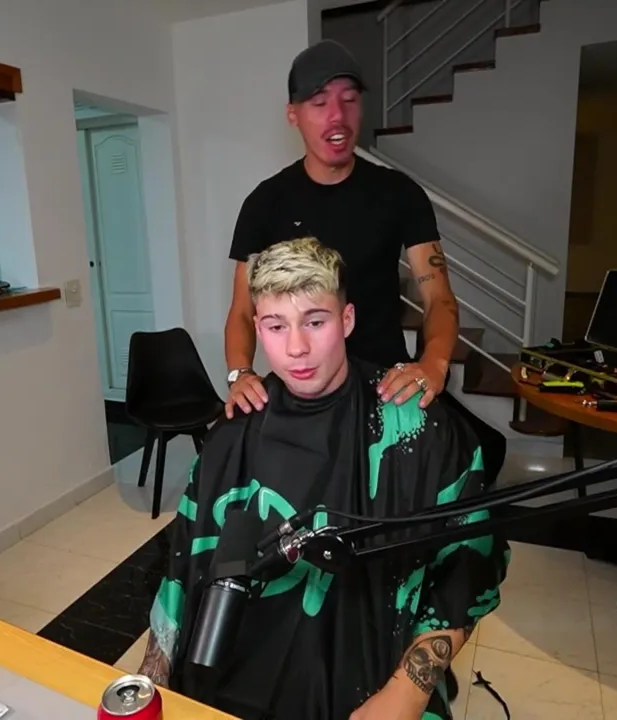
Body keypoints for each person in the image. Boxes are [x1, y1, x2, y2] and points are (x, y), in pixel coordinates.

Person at [139, 238, 508, 720]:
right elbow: (181, 573)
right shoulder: (233, 435)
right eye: (276, 326)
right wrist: (146, 687)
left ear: (347, 320)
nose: (297, 348)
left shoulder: (415, 429)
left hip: (372, 681)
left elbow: (470, 566)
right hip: (233, 681)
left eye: (315, 321)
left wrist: (408, 692)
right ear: (258, 328)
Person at [221, 39, 507, 483]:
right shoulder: (264, 204)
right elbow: (243, 310)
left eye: (349, 100)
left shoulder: (400, 195)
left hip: (385, 382)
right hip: (306, 387)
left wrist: (433, 365)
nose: (337, 116)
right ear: (293, 114)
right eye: (320, 103)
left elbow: (438, 300)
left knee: (474, 456)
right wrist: (239, 373)